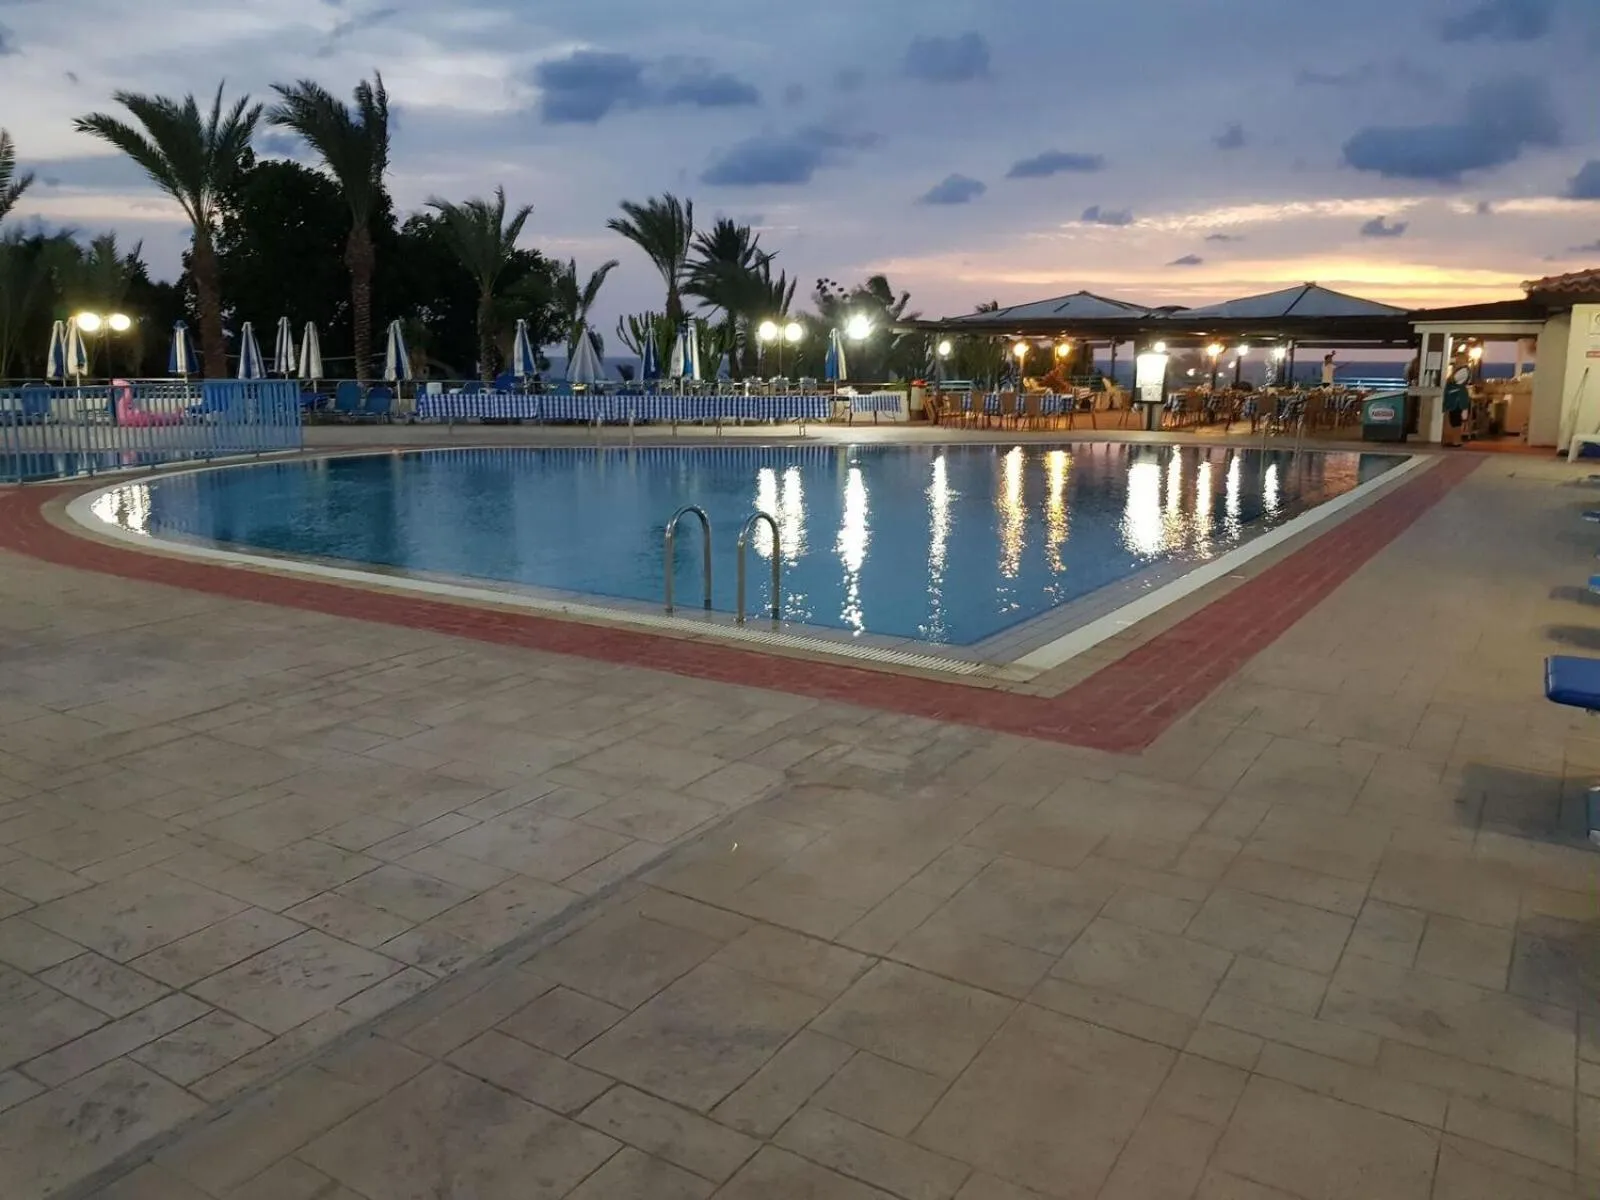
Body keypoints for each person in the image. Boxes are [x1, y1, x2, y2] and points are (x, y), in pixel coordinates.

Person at [1442, 365, 1471, 446]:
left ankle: (1454, 440)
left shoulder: (1454, 387)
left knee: (1456, 424)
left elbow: (1464, 399)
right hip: (1452, 407)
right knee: (1453, 423)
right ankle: (1451, 440)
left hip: (1456, 407)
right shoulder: (1452, 386)